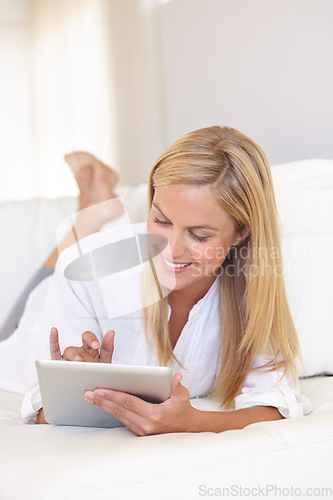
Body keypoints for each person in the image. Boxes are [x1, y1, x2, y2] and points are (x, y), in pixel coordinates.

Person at [10, 126, 312, 433]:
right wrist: (80, 387)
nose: (172, 250)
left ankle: (95, 201)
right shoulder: (81, 271)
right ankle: (91, 204)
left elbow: (279, 404)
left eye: (199, 234)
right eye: (160, 220)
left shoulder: (252, 285)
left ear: (241, 232)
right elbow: (43, 412)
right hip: (29, 321)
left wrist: (193, 421)